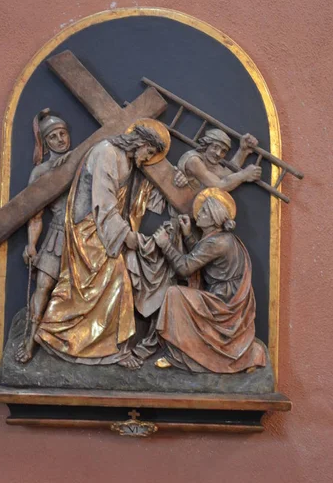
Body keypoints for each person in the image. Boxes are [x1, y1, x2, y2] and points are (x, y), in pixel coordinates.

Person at [34, 119, 170, 370]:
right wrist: (127, 236)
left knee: (118, 281)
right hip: (90, 229)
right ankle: (54, 334)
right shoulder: (106, 152)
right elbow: (104, 202)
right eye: (149, 151)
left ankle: (110, 348)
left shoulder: (128, 161)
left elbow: (143, 200)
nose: (148, 158)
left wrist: (179, 183)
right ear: (139, 143)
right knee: (112, 280)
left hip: (105, 231)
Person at [153, 188, 266, 373]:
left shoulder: (217, 243)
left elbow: (185, 268)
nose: (199, 213)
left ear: (214, 217)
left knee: (174, 293)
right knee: (182, 296)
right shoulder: (222, 239)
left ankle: (178, 355)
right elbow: (202, 258)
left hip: (223, 304)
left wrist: (165, 245)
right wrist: (188, 234)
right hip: (224, 298)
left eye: (204, 211)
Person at [16, 109, 71, 363]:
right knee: (43, 287)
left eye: (63, 134)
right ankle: (29, 342)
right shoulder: (40, 173)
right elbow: (36, 216)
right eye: (54, 137)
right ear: (46, 143)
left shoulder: (84, 159)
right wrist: (31, 245)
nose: (60, 140)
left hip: (85, 235)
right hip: (57, 234)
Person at [174, 128, 262, 191]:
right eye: (215, 147)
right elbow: (218, 186)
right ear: (207, 145)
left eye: (223, 151)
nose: (218, 153)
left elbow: (225, 174)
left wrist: (242, 151)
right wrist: (244, 175)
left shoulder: (209, 162)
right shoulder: (193, 160)